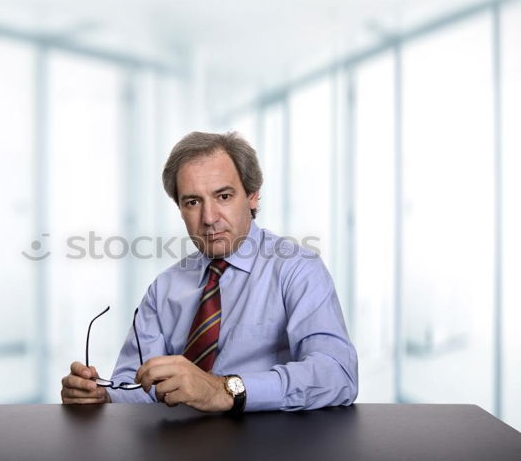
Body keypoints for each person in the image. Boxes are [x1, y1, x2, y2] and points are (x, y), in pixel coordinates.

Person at [61, 131, 358, 413]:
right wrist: (104, 397)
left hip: (268, 449)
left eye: (224, 196)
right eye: (192, 202)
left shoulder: (297, 269)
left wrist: (224, 390)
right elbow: (139, 385)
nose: (209, 218)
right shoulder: (164, 288)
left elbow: (336, 373)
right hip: (176, 452)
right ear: (180, 209)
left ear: (253, 196)